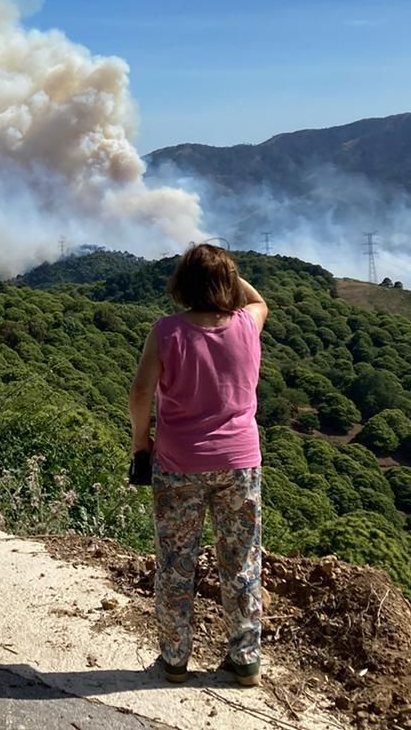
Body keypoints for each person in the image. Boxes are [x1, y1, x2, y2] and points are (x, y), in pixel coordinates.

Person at [127, 243, 269, 687]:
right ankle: (245, 660)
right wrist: (229, 276)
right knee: (241, 561)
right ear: (228, 285)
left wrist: (141, 446)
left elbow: (139, 394)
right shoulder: (248, 324)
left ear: (181, 286)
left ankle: (174, 661)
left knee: (176, 562)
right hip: (240, 463)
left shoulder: (166, 332)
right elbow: (258, 299)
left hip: (178, 463)